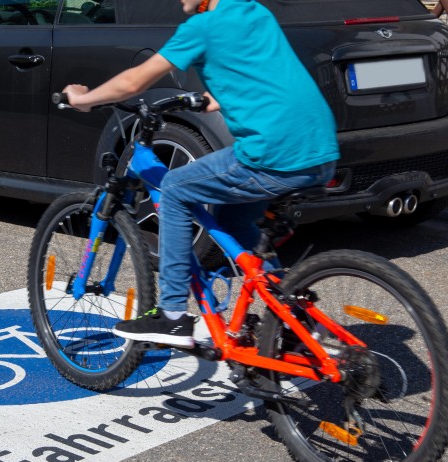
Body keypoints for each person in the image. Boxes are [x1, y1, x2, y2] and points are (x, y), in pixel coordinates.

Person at [62, 0, 340, 348]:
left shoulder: (201, 27)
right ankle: (290, 319)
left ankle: (173, 316)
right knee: (237, 222)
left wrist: (83, 100)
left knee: (176, 188)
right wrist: (215, 96)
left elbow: (134, 81)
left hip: (273, 154)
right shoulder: (253, 11)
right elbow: (261, 72)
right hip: (320, 150)